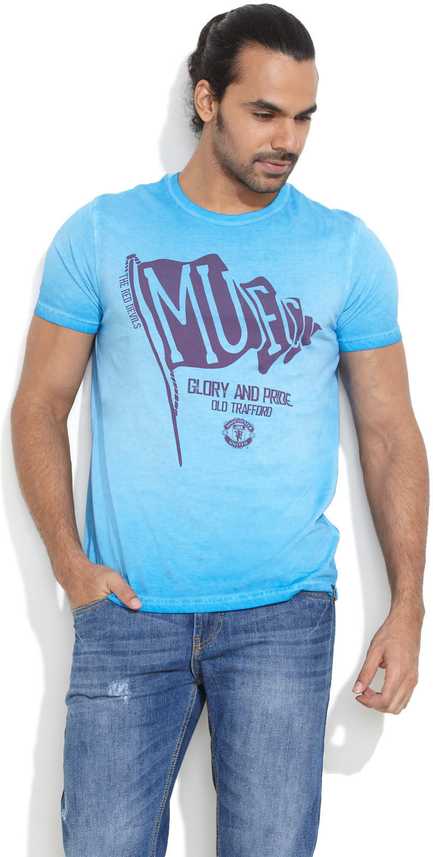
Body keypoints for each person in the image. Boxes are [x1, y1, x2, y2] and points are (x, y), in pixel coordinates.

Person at [11, 5, 427, 856]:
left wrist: (408, 605)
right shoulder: (105, 232)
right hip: (128, 611)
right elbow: (38, 405)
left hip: (282, 617)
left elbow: (389, 432)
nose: (287, 139)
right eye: (263, 112)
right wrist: (68, 564)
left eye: (303, 116)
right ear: (205, 100)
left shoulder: (344, 250)